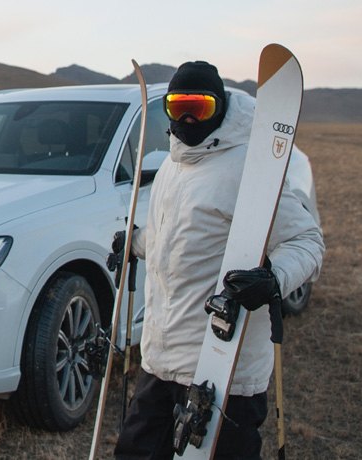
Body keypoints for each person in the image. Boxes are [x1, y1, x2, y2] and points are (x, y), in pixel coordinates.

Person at [113, 61, 325, 459]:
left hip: (224, 372)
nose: (189, 118)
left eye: (201, 108)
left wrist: (274, 279)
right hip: (160, 360)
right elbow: (174, 242)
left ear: (221, 109)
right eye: (179, 108)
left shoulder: (252, 168)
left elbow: (308, 242)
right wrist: (135, 243)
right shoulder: (170, 170)